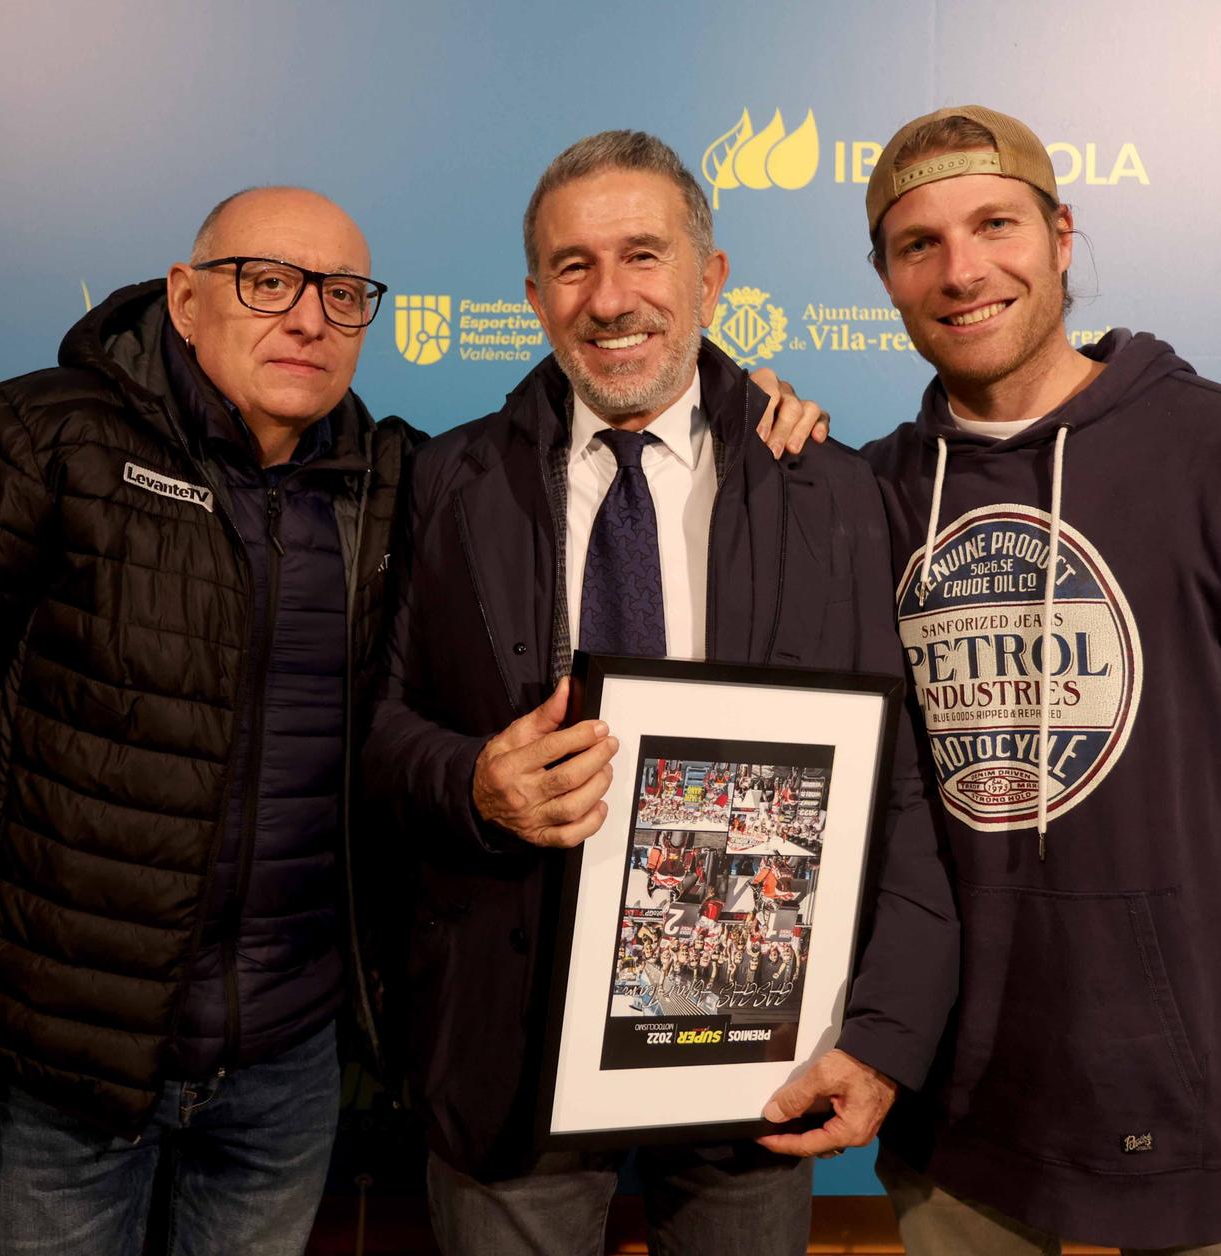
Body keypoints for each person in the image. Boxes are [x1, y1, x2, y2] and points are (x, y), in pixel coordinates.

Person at [0, 184, 825, 1255]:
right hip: (65, 1063)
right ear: (186, 298)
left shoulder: (394, 478)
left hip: (286, 1071)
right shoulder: (37, 439)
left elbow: (584, 432)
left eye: (342, 295)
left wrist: (730, 407)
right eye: (267, 282)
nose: (307, 318)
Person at [855, 106, 1221, 1254]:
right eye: (916, 242)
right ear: (883, 276)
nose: (961, 268)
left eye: (994, 224)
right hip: (957, 1112)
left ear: (1062, 234)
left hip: (1208, 1110)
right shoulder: (870, 492)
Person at [361, 129, 957, 1256]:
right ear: (534, 297)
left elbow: (899, 789)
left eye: (643, 254)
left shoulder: (826, 493)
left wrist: (880, 1034)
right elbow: (382, 731)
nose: (610, 296)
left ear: (709, 277)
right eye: (573, 266)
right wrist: (472, 783)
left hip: (753, 1048)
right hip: (507, 1045)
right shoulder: (446, 478)